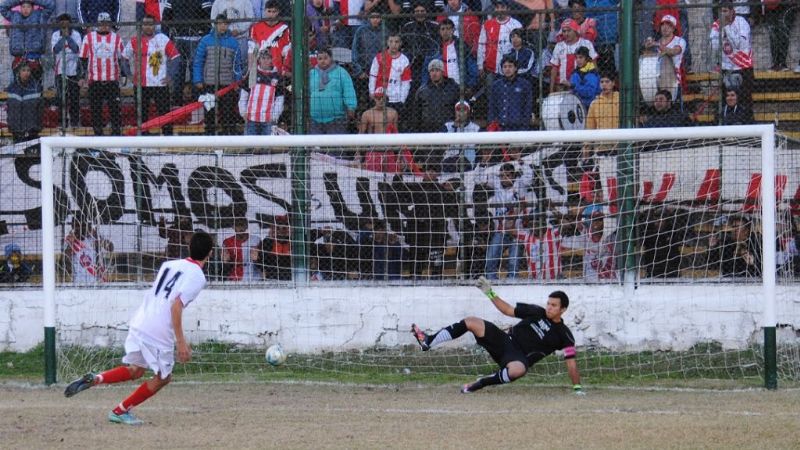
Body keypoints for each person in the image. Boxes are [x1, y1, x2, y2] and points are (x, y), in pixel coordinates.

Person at [63, 232, 214, 426]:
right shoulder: (198, 277)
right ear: (210, 253)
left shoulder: (169, 265)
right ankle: (120, 411)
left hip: (141, 320)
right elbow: (176, 306)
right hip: (158, 329)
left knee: (136, 370)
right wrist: (181, 342)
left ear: (189, 247)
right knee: (163, 377)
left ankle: (97, 378)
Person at [411, 282, 583, 394]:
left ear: (563, 309)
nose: (549, 307)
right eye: (548, 303)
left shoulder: (565, 335)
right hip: (504, 341)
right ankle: (428, 342)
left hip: (517, 357)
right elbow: (507, 310)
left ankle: (479, 383)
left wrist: (577, 388)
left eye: (554, 305)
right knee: (471, 321)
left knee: (518, 370)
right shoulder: (537, 312)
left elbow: (571, 362)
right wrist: (489, 292)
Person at [123, 14, 181, 136]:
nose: (148, 27)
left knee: (165, 114)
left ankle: (167, 138)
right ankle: (144, 139)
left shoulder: (162, 39)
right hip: (141, 85)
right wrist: (129, 75)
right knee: (142, 113)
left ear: (154, 26)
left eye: (150, 24)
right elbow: (124, 58)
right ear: (141, 26)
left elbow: (176, 57)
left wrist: (170, 76)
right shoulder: (135, 41)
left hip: (160, 84)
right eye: (145, 24)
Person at [193, 13, 243, 135]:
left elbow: (237, 65)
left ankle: (227, 135)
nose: (222, 27)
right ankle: (209, 135)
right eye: (220, 24)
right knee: (209, 111)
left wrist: (237, 82)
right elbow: (198, 61)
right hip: (209, 82)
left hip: (227, 84)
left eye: (225, 24)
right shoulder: (205, 40)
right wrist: (198, 79)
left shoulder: (233, 43)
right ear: (215, 25)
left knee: (227, 111)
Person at [80, 12, 128, 136]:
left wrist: (124, 74)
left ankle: (116, 134)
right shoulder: (89, 38)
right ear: (98, 24)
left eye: (107, 23)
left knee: (115, 109)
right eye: (102, 23)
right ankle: (98, 136)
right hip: (95, 80)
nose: (104, 26)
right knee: (96, 110)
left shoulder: (116, 38)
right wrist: (82, 77)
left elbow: (122, 58)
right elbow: (83, 59)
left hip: (112, 80)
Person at [709, 1, 753, 113]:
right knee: (726, 100)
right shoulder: (716, 25)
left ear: (732, 11)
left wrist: (726, 28)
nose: (723, 14)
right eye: (721, 11)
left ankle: (746, 123)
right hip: (726, 68)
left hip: (743, 66)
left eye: (725, 11)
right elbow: (714, 47)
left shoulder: (742, 22)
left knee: (744, 100)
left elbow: (740, 44)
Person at [0, 0, 54, 83]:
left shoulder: (40, 15)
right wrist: (19, 1)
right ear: (20, 7)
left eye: (28, 7)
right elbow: (2, 7)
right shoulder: (14, 16)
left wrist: (34, 0)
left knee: (35, 85)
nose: (26, 9)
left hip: (34, 57)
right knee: (18, 84)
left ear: (33, 8)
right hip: (18, 57)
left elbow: (51, 5)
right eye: (23, 7)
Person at [309, 47, 357, 134]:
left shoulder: (341, 72)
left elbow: (348, 90)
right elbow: (307, 93)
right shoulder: (312, 73)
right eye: (320, 58)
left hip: (336, 119)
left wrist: (351, 107)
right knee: (315, 146)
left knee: (334, 146)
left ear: (331, 58)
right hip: (314, 118)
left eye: (325, 58)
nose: (323, 61)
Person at [239, 49, 285, 135]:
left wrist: (275, 116)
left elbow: (280, 98)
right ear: (259, 60)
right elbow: (244, 94)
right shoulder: (253, 74)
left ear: (272, 59)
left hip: (268, 119)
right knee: (249, 145)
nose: (265, 61)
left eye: (268, 58)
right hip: (251, 117)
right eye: (263, 58)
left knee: (266, 146)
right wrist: (243, 111)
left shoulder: (277, 77)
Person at [51, 13, 83, 128]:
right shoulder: (55, 35)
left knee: (74, 97)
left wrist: (68, 37)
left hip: (73, 69)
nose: (65, 26)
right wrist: (62, 37)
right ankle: (62, 121)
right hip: (60, 70)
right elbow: (55, 50)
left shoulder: (76, 35)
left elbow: (76, 49)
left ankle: (74, 121)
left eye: (67, 23)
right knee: (61, 97)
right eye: (62, 24)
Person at [412, 58, 459, 132]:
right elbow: (416, 115)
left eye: (437, 70)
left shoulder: (453, 87)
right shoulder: (422, 91)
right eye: (432, 71)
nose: (434, 73)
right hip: (428, 131)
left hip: (448, 129)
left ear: (442, 72)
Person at [487, 56, 532, 131]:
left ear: (515, 68)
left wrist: (524, 125)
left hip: (518, 127)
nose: (507, 69)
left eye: (510, 66)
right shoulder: (496, 85)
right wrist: (492, 123)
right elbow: (492, 106)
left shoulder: (524, 84)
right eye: (505, 67)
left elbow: (527, 107)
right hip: (500, 127)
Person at [5, 61, 43, 143]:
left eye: (28, 70)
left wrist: (37, 126)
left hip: (32, 129)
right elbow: (10, 109)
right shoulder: (12, 88)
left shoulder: (36, 87)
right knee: (18, 154)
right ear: (19, 72)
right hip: (16, 130)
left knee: (33, 154)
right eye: (24, 70)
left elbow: (39, 109)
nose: (26, 73)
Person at [222, 217, 260, 281]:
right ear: (233, 227)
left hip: (253, 273)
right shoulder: (227, 242)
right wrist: (226, 261)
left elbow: (262, 261)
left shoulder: (256, 239)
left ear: (246, 226)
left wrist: (257, 259)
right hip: (235, 274)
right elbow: (226, 264)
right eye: (237, 225)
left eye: (242, 225)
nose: (240, 228)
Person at [563, 45, 599, 111]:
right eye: (576, 58)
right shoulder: (575, 73)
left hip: (590, 107)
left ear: (587, 58)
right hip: (577, 106)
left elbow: (590, 93)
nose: (578, 60)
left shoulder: (592, 73)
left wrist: (573, 86)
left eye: (581, 57)